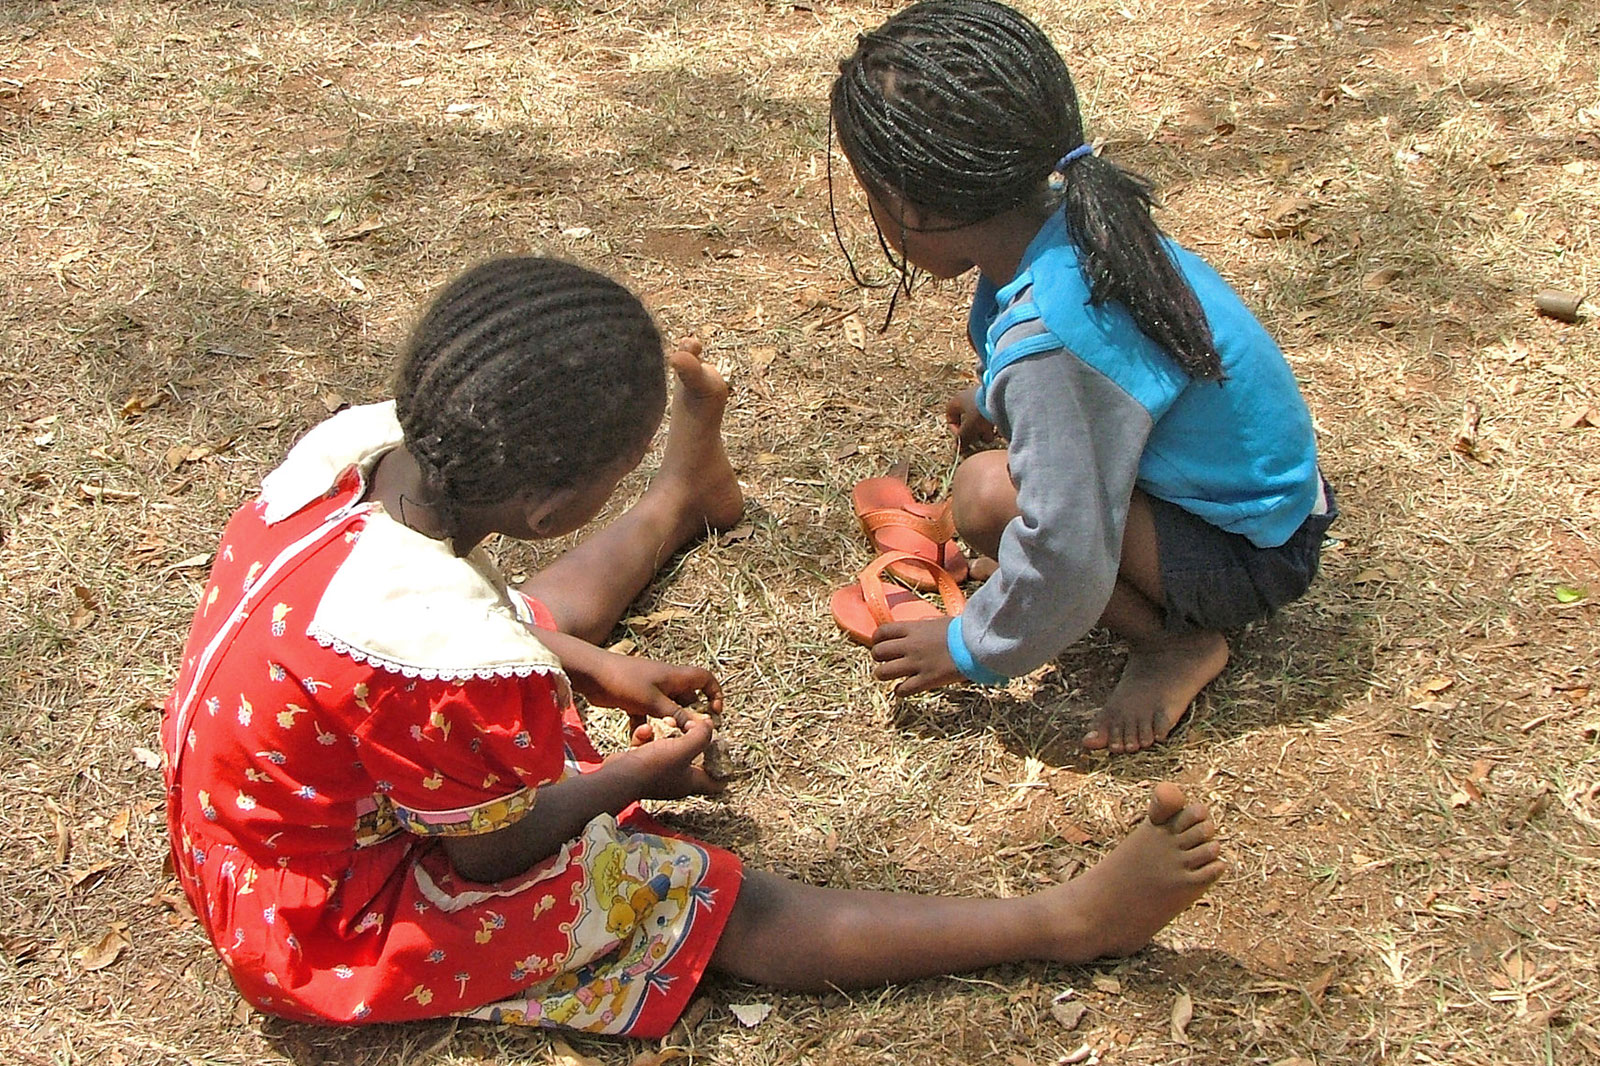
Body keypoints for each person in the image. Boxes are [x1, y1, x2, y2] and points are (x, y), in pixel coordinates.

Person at [161, 256, 1225, 1039]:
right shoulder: (437, 660)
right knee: (695, 890)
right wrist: (636, 772)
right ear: (545, 506)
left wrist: (596, 666)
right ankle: (1060, 920)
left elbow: (459, 629)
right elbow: (491, 849)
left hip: (272, 800)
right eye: (617, 472)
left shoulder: (356, 462)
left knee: (536, 619)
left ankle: (685, 499)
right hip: (327, 911)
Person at [829, 0, 1337, 754]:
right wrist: (994, 395)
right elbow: (1121, 371)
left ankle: (1175, 643)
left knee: (987, 495)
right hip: (1269, 511)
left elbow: (1067, 546)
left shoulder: (1055, 340)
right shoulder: (1070, 218)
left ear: (907, 204)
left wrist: (971, 645)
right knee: (1005, 485)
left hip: (1248, 555)